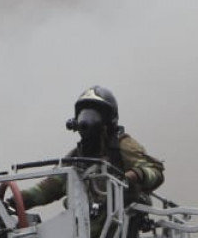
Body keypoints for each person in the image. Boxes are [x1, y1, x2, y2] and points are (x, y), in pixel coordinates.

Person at [19, 85, 165, 209]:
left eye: (93, 116)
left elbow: (155, 171)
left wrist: (133, 176)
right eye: (84, 115)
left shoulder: (122, 146)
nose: (87, 121)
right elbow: (47, 189)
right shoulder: (75, 159)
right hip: (81, 230)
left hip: (117, 227)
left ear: (108, 120)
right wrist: (15, 202)